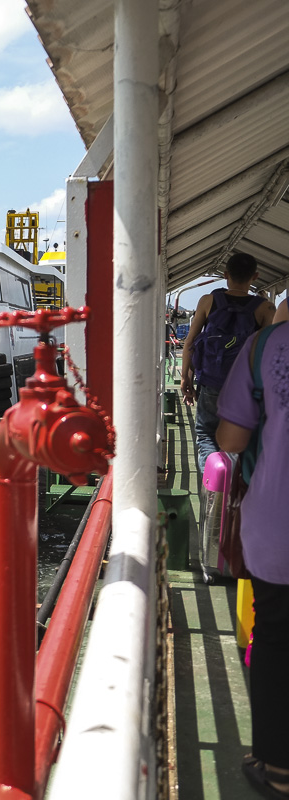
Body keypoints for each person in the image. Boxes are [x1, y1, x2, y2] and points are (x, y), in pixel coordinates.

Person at [217, 320, 289, 798]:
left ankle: (279, 769)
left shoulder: (266, 346)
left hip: (280, 524)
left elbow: (232, 440)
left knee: (277, 641)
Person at [180, 253, 275, 470]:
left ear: (225, 275)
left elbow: (190, 342)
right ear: (255, 276)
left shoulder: (208, 300)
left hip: (212, 381)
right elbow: (270, 351)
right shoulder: (265, 308)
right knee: (242, 437)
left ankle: (214, 484)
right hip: (244, 386)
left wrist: (185, 377)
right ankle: (236, 485)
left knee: (206, 433)